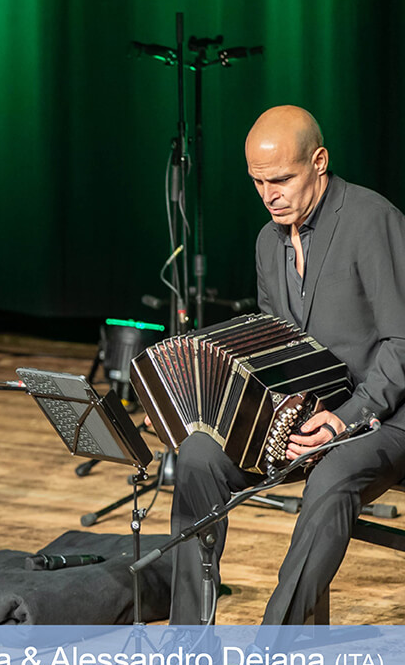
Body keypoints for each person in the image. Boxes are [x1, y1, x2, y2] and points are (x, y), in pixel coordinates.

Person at [168, 105, 405, 625]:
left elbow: (403, 340)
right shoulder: (267, 241)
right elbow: (278, 348)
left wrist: (346, 418)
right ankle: (187, 638)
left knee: (334, 473)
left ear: (319, 162)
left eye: (281, 179)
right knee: (198, 456)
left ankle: (276, 652)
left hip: (385, 416)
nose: (269, 194)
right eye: (257, 182)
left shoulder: (371, 220)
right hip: (305, 414)